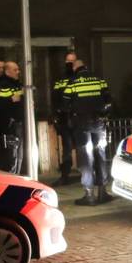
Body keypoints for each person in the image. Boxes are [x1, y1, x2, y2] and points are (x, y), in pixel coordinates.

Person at [61, 55, 114, 205]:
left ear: (75, 68)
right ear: (86, 67)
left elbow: (65, 105)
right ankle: (103, 192)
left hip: (81, 124)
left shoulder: (73, 82)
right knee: (101, 154)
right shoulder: (99, 80)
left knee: (85, 157)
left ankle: (89, 195)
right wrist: (104, 114)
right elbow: (109, 101)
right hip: (99, 123)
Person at [0, 60, 25, 174]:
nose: (18, 72)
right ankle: (11, 179)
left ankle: (16, 177)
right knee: (11, 157)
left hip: (19, 124)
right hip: (8, 126)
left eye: (18, 69)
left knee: (18, 155)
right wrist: (10, 99)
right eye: (15, 70)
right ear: (7, 72)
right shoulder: (0, 86)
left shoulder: (18, 86)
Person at [52, 52, 78, 185]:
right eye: (68, 61)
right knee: (67, 148)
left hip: (78, 118)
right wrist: (55, 115)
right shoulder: (60, 79)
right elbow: (55, 98)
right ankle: (65, 175)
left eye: (72, 61)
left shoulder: (80, 77)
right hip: (64, 118)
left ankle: (88, 174)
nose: (70, 64)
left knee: (83, 146)